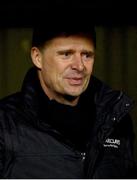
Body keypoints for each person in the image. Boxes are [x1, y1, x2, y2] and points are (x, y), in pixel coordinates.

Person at [0, 21, 136, 178]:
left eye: (87, 55)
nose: (79, 66)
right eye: (66, 54)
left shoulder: (116, 120)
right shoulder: (5, 124)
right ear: (37, 57)